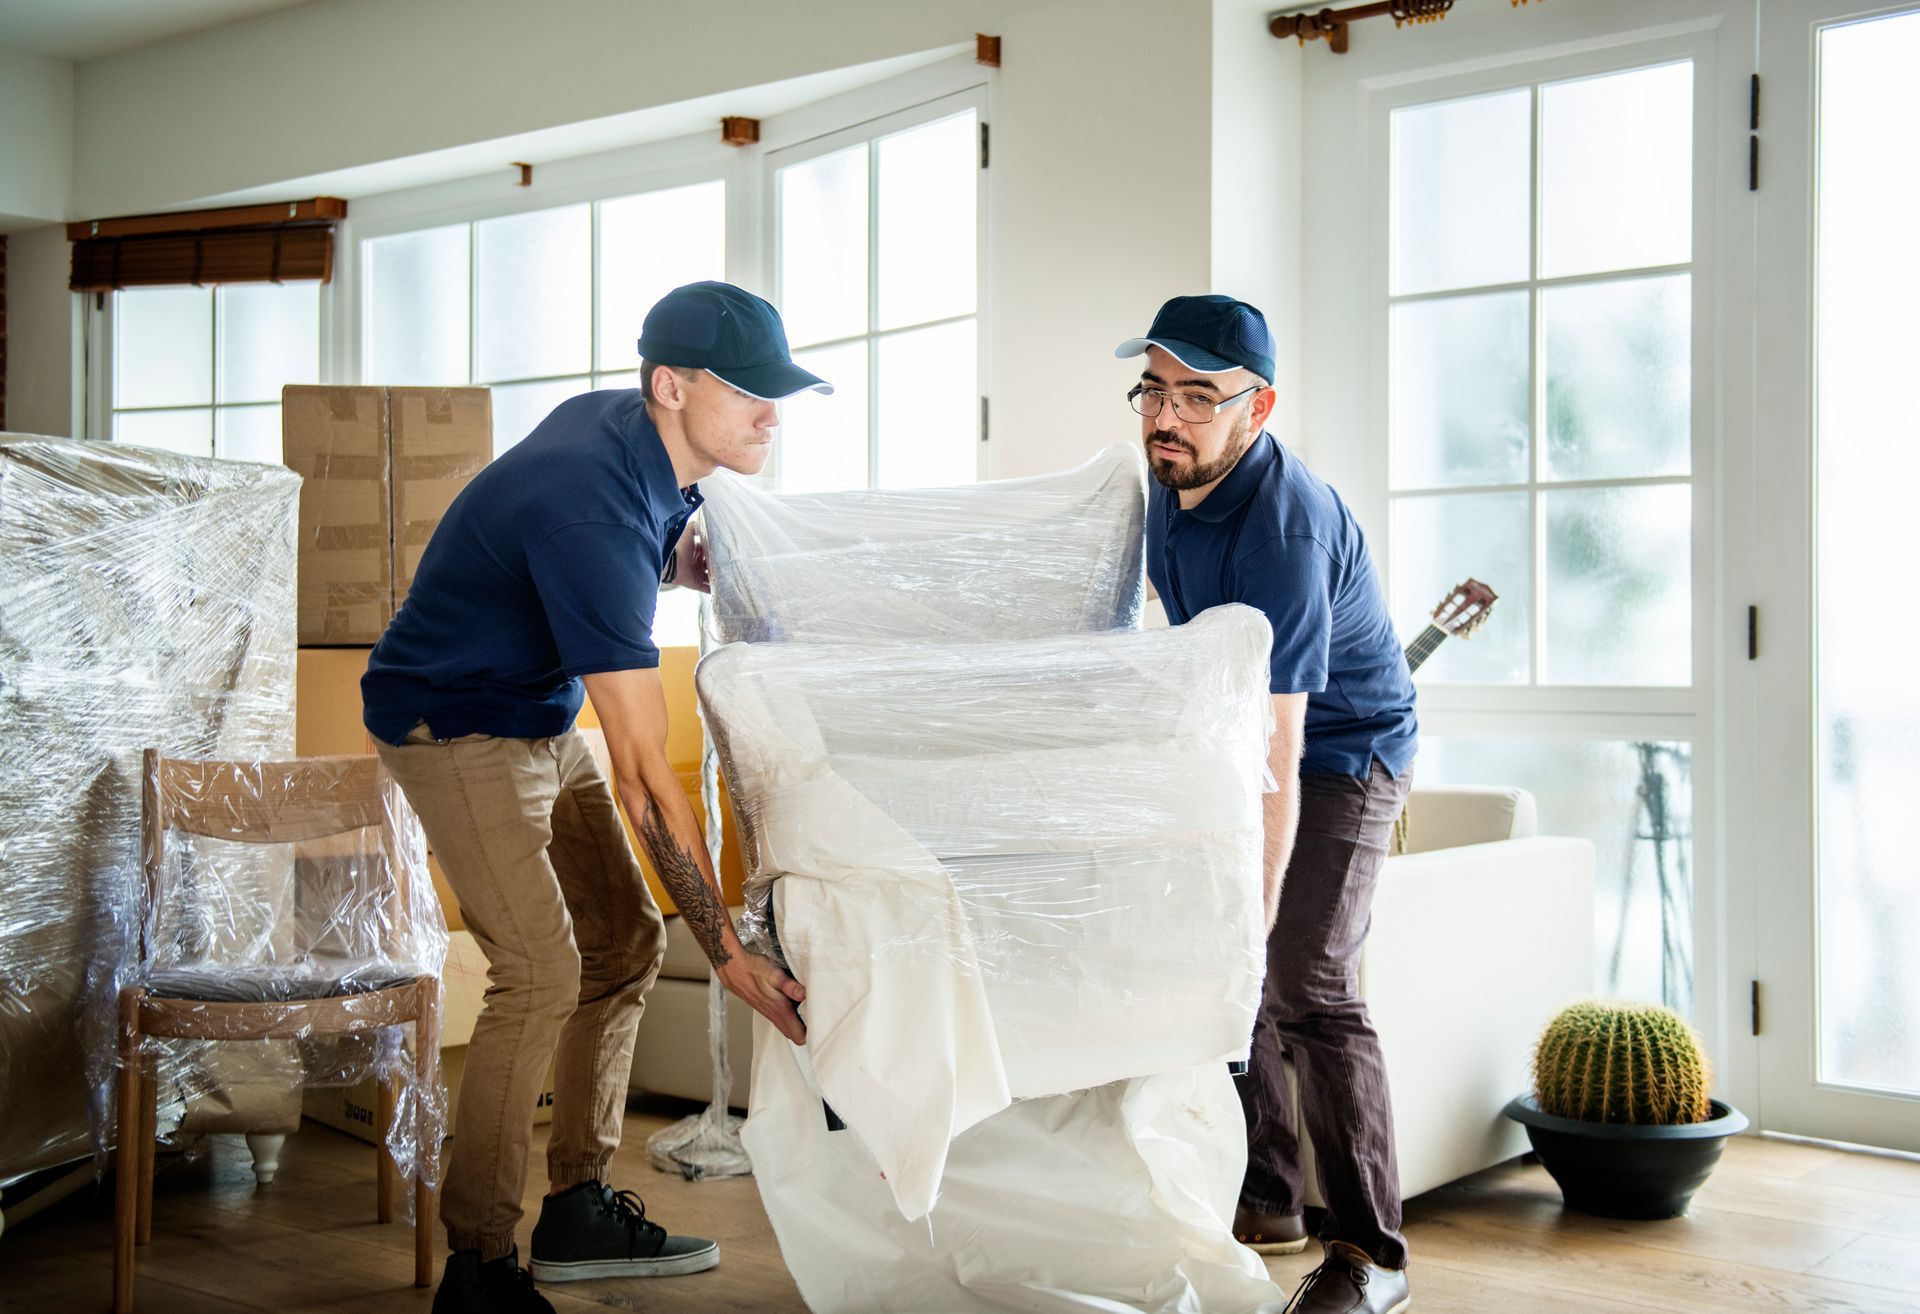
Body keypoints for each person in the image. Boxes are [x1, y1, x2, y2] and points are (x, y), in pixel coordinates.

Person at [361, 281, 824, 1314]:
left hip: (533, 710)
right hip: (452, 724)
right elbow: (647, 782)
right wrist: (733, 956)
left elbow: (625, 543)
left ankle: (575, 1203)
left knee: (624, 940)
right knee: (539, 970)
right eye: (750, 391)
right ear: (670, 386)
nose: (773, 415)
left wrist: (681, 559)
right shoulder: (591, 501)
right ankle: (478, 1268)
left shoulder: (637, 439)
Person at [1116, 295, 1419, 1314]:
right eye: (1155, 388)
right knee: (1224, 961)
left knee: (1304, 977)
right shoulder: (1169, 480)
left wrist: (1250, 901)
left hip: (1344, 751)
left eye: (1199, 394)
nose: (1169, 415)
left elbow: (1283, 751)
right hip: (1233, 737)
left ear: (1259, 406)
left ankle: (1372, 1256)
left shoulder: (1284, 527)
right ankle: (1270, 1195)